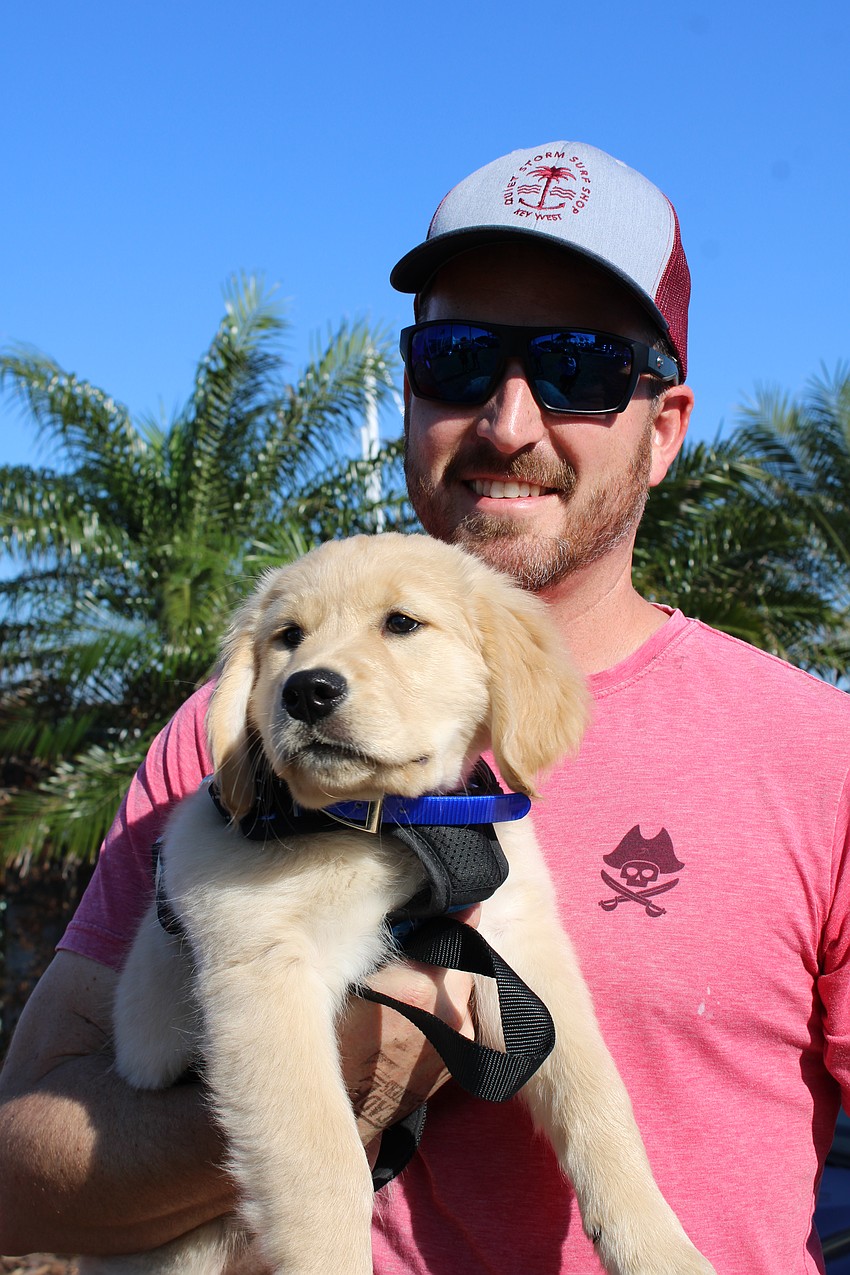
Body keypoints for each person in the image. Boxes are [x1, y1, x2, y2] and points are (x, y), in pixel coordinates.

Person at [0, 139, 847, 1275]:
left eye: (579, 367)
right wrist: (322, 1078)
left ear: (665, 425)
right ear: (408, 393)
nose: (506, 422)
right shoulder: (233, 736)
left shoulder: (817, 754)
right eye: (455, 358)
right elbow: (21, 1185)